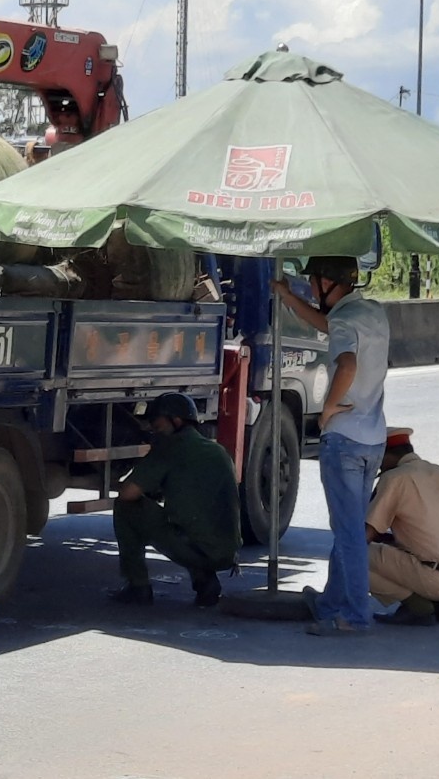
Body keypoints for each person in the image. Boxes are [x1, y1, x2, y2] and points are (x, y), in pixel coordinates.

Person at [273, 256, 389, 635]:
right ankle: (331, 603)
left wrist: (327, 410)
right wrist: (290, 299)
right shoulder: (371, 312)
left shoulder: (343, 320)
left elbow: (348, 363)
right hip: (373, 437)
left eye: (312, 282)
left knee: (348, 533)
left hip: (343, 438)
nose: (311, 288)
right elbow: (328, 326)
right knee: (351, 527)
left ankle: (355, 616)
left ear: (327, 282)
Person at [107, 392, 242, 608]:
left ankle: (138, 585)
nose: (154, 432)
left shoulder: (170, 447)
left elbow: (128, 493)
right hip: (227, 552)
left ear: (176, 421)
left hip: (196, 549)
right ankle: (205, 582)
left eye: (158, 427)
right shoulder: (217, 450)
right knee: (192, 524)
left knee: (125, 507)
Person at [366, 427, 439, 626]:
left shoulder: (394, 478)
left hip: (436, 579)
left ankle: (417, 605)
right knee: (406, 548)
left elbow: (367, 534)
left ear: (385, 455)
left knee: (352, 555)